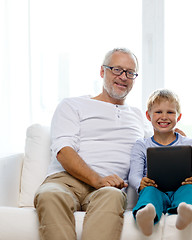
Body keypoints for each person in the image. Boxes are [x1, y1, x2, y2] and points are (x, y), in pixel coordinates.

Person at [34, 48, 152, 240]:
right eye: (117, 70)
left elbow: (156, 147)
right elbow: (64, 151)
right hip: (66, 181)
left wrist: (175, 135)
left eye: (130, 73)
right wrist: (97, 179)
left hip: (110, 188)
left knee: (113, 196)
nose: (123, 77)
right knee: (49, 194)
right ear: (102, 71)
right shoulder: (72, 105)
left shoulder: (139, 116)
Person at [128, 89, 192, 236]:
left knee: (191, 190)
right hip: (154, 189)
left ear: (178, 116)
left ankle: (185, 212)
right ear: (148, 116)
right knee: (148, 192)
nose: (164, 117)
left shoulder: (190, 143)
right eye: (158, 112)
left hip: (182, 188)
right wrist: (140, 183)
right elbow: (134, 175)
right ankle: (146, 215)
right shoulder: (141, 145)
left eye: (170, 112)